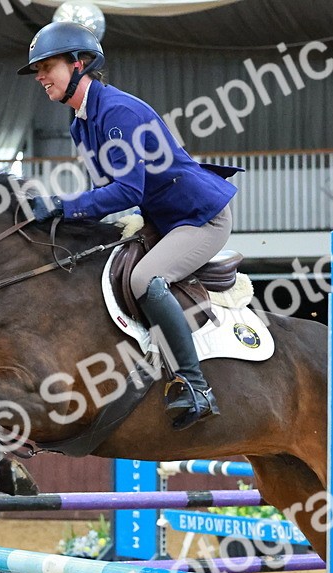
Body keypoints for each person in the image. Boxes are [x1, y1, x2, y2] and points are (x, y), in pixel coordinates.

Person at [19, 21, 240, 431]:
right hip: (161, 219)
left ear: (79, 63)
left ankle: (195, 386)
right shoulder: (80, 122)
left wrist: (63, 207)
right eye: (38, 70)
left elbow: (126, 192)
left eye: (47, 66)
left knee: (144, 280)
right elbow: (103, 190)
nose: (40, 77)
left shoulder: (117, 112)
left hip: (200, 219)